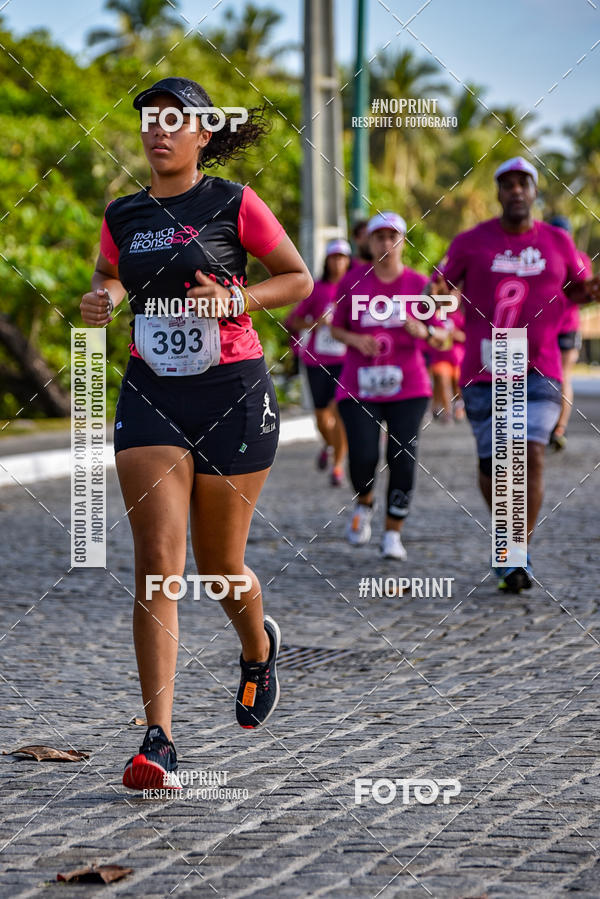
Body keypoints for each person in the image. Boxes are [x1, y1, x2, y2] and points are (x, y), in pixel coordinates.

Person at [80, 77, 313, 789]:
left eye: (175, 121)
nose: (160, 131)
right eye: (150, 119)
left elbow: (297, 279)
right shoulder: (123, 213)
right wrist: (106, 298)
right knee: (157, 561)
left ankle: (256, 646)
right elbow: (110, 276)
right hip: (151, 394)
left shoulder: (232, 202)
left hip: (232, 395)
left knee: (219, 567)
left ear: (203, 133)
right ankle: (159, 740)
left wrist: (235, 296)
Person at [432, 157, 599, 593]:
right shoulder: (471, 241)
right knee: (493, 466)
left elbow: (581, 289)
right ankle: (506, 538)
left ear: (535, 191)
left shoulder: (559, 242)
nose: (516, 191)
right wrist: (436, 306)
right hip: (484, 370)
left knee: (531, 452)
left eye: (524, 183)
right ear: (499, 193)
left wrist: (590, 290)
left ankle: (514, 550)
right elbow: (440, 288)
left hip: (540, 367)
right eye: (508, 184)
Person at [330, 212, 446, 560]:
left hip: (408, 386)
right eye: (379, 237)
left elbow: (443, 336)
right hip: (358, 385)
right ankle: (364, 502)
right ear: (368, 242)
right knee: (363, 456)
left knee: (403, 459)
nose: (385, 243)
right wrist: (356, 339)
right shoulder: (352, 281)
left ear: (403, 242)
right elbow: (335, 328)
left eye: (392, 236)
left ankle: (393, 533)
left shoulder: (418, 284)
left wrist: (423, 331)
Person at [288, 238, 351, 485]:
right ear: (327, 261)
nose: (339, 262)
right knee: (322, 418)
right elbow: (294, 321)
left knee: (340, 413)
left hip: (347, 361)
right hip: (317, 361)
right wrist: (316, 323)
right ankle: (329, 444)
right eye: (334, 257)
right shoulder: (317, 289)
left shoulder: (356, 287)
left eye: (343, 257)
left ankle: (338, 467)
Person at [547, 215, 591, 450]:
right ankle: (557, 428)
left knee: (558, 377)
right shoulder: (580, 258)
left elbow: (585, 292)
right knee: (561, 377)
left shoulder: (550, 258)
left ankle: (558, 428)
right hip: (554, 328)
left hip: (562, 327)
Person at [428, 297, 466, 423]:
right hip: (440, 356)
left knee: (457, 385)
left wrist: (455, 334)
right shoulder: (435, 315)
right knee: (443, 383)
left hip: (458, 357)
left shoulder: (459, 316)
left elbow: (467, 337)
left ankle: (459, 406)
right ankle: (447, 411)